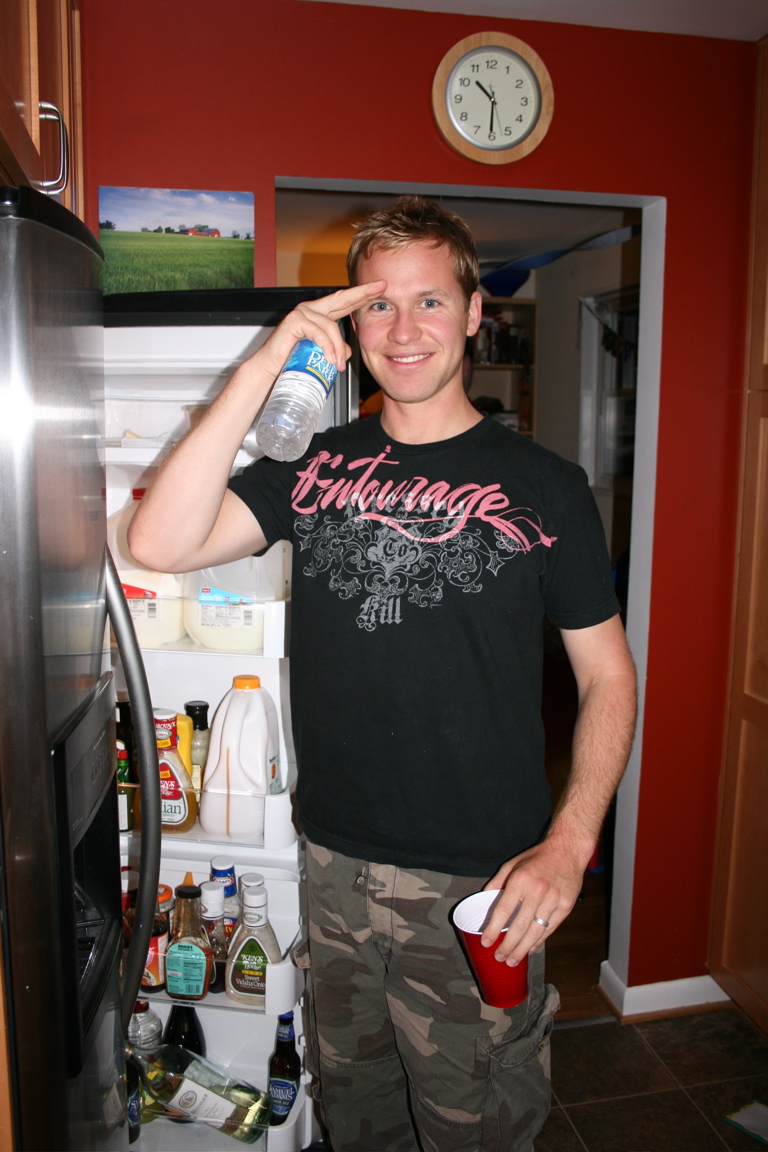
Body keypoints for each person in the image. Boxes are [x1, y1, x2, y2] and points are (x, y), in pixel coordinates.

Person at [129, 196, 637, 1152]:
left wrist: (569, 844)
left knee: (475, 1125)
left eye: (429, 301)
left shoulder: (547, 487)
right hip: (333, 864)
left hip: (479, 880)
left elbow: (609, 677)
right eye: (377, 305)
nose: (404, 331)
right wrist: (265, 363)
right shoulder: (314, 465)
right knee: (357, 1116)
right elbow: (158, 540)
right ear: (350, 326)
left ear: (475, 313)